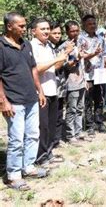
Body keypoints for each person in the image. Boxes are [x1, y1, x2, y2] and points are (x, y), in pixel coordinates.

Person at [0, 12, 48, 190]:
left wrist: (40, 91)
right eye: (20, 26)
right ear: (9, 26)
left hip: (31, 98)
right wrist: (3, 101)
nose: (24, 29)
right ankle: (13, 175)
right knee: (16, 139)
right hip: (13, 101)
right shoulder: (1, 46)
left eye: (24, 25)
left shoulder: (25, 44)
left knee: (33, 135)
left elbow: (33, 68)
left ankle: (28, 167)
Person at [30, 18, 71, 165]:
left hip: (52, 90)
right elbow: (37, 69)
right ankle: (40, 157)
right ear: (33, 31)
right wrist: (55, 60)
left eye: (48, 28)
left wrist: (65, 53)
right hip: (40, 92)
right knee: (43, 126)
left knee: (52, 125)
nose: (47, 31)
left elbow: (55, 68)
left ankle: (48, 153)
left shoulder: (48, 46)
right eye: (43, 29)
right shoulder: (32, 47)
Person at [78, 14, 106, 135]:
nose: (92, 26)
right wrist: (93, 53)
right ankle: (89, 125)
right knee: (88, 100)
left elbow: (104, 54)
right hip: (87, 74)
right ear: (84, 25)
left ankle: (99, 123)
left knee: (99, 99)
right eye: (89, 24)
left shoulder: (100, 39)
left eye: (94, 24)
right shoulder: (81, 39)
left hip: (99, 74)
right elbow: (81, 56)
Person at [60, 20, 87, 143]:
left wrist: (85, 79)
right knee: (72, 109)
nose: (75, 33)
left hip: (81, 81)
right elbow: (66, 66)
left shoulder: (80, 43)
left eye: (77, 30)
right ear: (67, 32)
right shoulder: (65, 47)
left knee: (80, 108)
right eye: (72, 31)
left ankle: (78, 131)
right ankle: (70, 135)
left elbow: (81, 65)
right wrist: (77, 58)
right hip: (71, 83)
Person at [48, 22, 67, 149]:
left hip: (60, 86)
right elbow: (55, 67)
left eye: (59, 33)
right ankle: (49, 143)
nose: (57, 36)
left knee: (60, 114)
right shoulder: (48, 48)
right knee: (51, 117)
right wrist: (65, 54)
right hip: (51, 87)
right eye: (54, 33)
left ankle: (57, 140)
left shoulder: (57, 46)